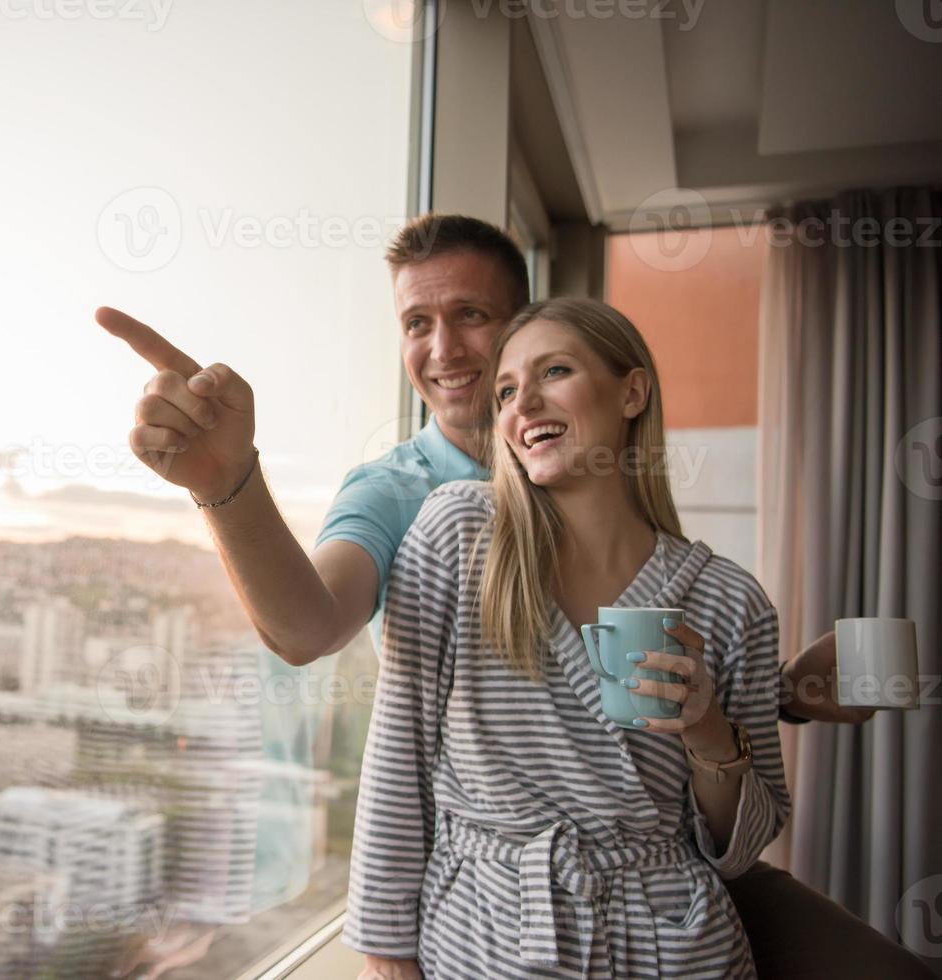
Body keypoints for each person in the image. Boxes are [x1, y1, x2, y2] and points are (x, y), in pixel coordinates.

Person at [97, 213, 931, 977]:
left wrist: (767, 695)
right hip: (498, 912)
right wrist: (229, 484)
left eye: (471, 317)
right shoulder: (419, 505)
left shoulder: (720, 590)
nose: (447, 350)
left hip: (675, 906)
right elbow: (315, 637)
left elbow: (676, 770)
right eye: (416, 324)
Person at [348, 296, 788, 977]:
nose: (521, 403)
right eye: (504, 390)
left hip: (677, 947)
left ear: (632, 392)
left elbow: (744, 846)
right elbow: (396, 758)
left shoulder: (731, 600)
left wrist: (706, 731)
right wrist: (385, 956)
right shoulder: (460, 534)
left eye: (552, 372)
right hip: (488, 938)